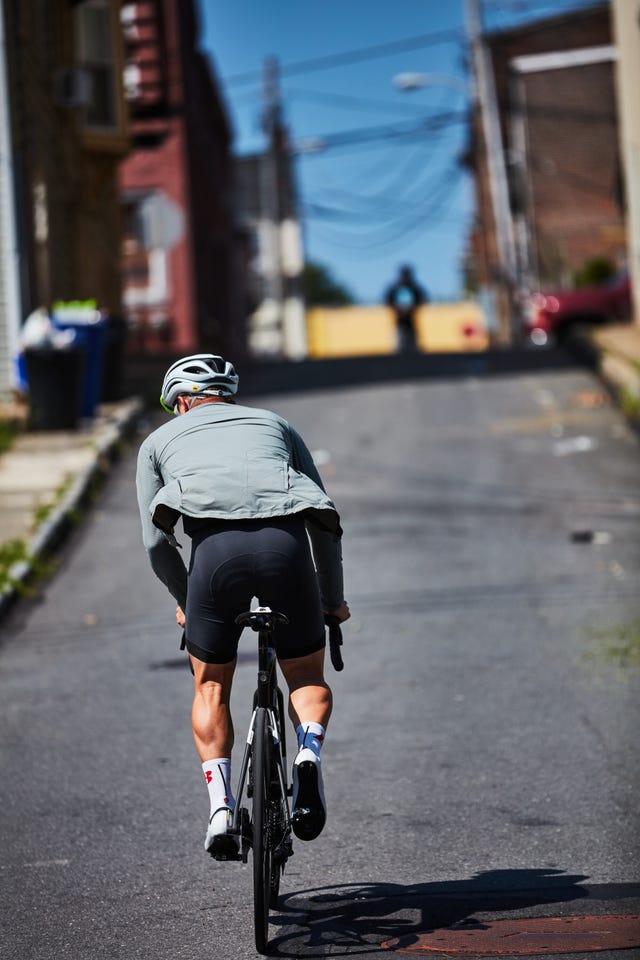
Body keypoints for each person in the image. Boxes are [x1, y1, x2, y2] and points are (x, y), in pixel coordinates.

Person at [136, 354, 349, 859]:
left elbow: (154, 543)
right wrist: (331, 601)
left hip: (215, 560)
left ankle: (220, 809)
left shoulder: (156, 443)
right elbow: (324, 518)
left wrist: (186, 597)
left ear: (183, 401)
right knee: (306, 678)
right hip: (287, 551)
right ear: (225, 395)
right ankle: (307, 755)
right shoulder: (276, 425)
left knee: (211, 684)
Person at [384, 264, 428, 353]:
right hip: (400, 321)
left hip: (411, 320)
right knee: (400, 342)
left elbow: (422, 299)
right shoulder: (396, 287)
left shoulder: (414, 287)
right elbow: (388, 300)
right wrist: (398, 310)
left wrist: (412, 309)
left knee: (413, 342)